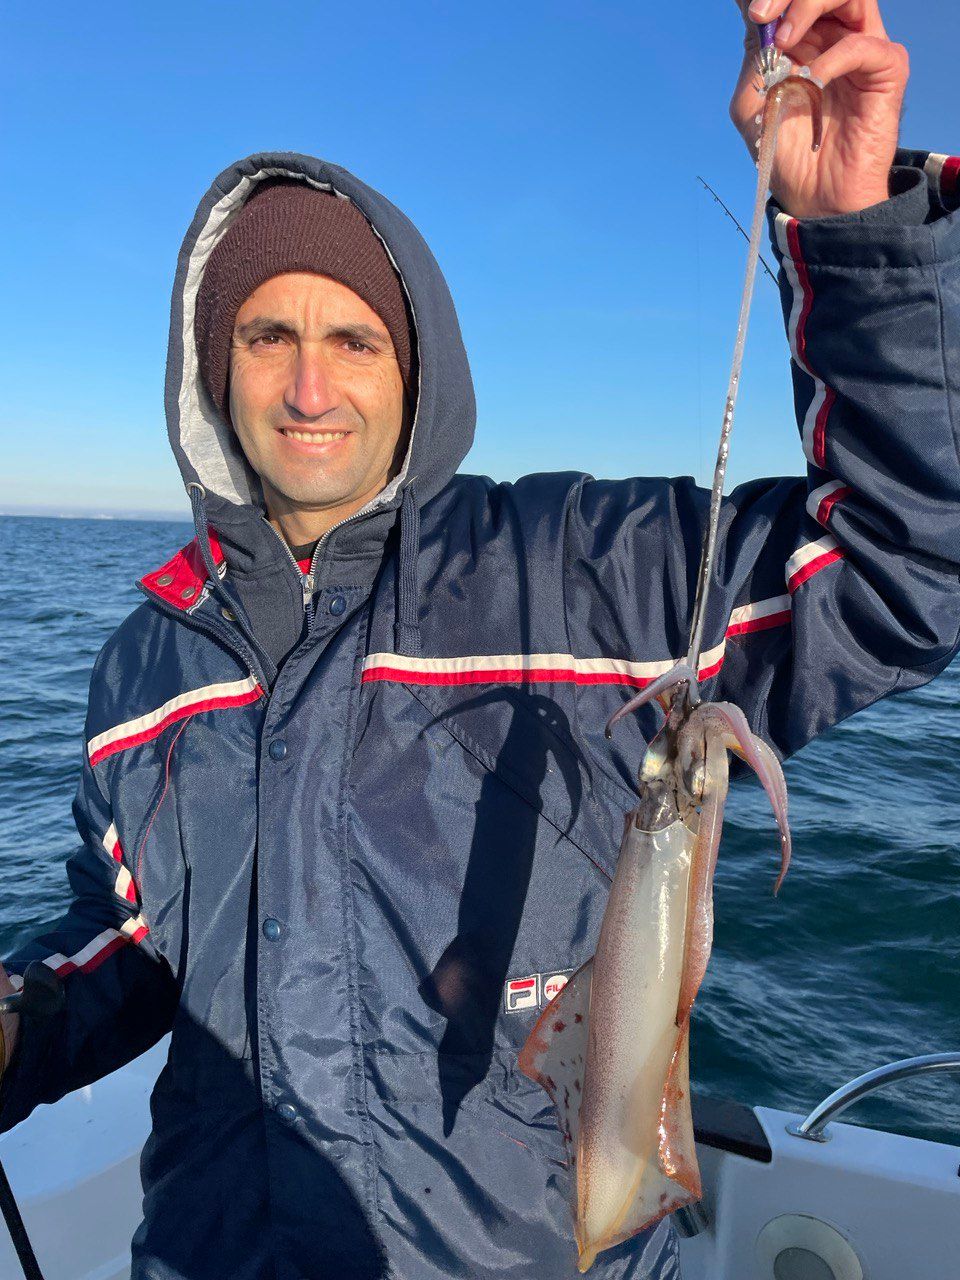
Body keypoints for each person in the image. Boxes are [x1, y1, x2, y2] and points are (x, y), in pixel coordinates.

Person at [1, 2, 958, 1276]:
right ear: (213, 369)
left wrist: (850, 229)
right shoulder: (145, 662)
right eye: (268, 336)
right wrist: (21, 1014)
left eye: (352, 339)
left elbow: (908, 559)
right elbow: (130, 937)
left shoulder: (587, 568)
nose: (308, 386)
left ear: (415, 369)